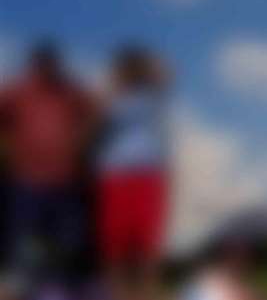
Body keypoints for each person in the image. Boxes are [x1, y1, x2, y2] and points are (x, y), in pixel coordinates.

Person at [0, 42, 99, 286]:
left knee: (67, 242)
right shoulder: (18, 91)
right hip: (27, 179)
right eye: (41, 65)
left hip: (65, 180)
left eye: (50, 64)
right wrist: (8, 148)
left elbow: (96, 113)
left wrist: (82, 143)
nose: (46, 70)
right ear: (34, 66)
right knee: (25, 242)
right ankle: (21, 299)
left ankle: (57, 297)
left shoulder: (70, 92)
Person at [95, 45, 171, 275]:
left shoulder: (152, 96)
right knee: (114, 242)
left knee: (146, 242)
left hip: (148, 172)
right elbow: (97, 124)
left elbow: (165, 75)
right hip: (116, 173)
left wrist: (144, 65)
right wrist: (116, 81)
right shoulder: (110, 99)